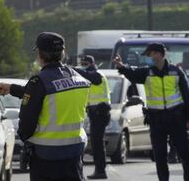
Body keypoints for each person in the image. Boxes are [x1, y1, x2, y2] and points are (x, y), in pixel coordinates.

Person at [0, 32, 90, 181]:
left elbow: (26, 123)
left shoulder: (39, 82)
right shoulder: (78, 78)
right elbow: (49, 93)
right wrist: (12, 88)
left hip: (46, 157)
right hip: (74, 153)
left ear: (39, 53)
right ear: (63, 52)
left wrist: (26, 140)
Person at [113, 42, 189, 181]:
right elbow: (132, 73)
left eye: (151, 54)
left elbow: (187, 95)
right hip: (156, 120)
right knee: (160, 157)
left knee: (185, 154)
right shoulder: (147, 72)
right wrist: (121, 67)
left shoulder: (176, 72)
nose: (149, 57)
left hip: (176, 119)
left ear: (160, 54)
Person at [73, 55, 111, 179]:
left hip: (100, 113)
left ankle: (101, 171)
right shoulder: (90, 75)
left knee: (97, 143)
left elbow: (91, 77)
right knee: (96, 143)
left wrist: (75, 69)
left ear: (90, 63)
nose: (83, 65)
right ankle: (100, 170)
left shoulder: (97, 75)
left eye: (84, 63)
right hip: (96, 114)